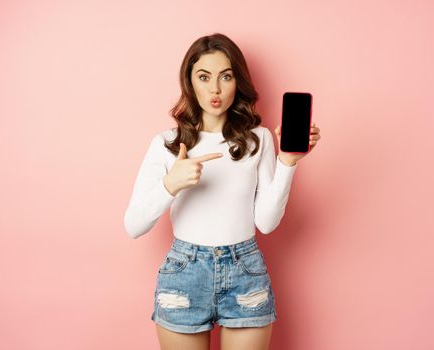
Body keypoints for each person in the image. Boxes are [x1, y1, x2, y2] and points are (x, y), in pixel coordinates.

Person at [123, 33, 321, 350]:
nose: (215, 89)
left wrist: (287, 163)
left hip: (245, 269)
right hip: (185, 271)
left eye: (225, 76)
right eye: (204, 77)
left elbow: (267, 223)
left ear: (237, 81)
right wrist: (170, 184)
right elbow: (133, 225)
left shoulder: (259, 140)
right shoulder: (167, 143)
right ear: (189, 82)